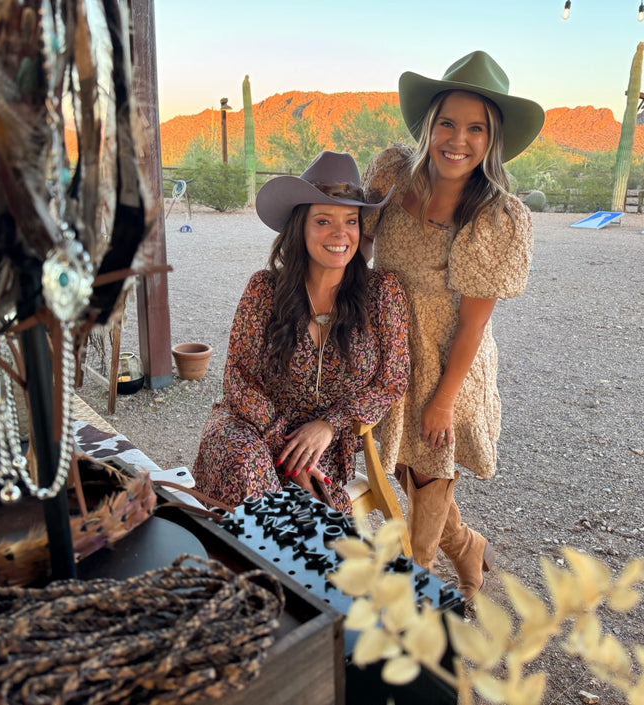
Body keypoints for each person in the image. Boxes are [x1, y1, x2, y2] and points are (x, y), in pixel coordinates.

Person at [361, 51, 545, 600]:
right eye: (447, 123)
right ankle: (465, 545)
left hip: (450, 357)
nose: (457, 139)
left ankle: (414, 590)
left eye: (475, 128)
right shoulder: (393, 171)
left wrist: (444, 398)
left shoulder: (497, 215)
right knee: (401, 467)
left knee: (431, 470)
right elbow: (358, 241)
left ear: (493, 140)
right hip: (390, 345)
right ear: (429, 124)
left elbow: (472, 323)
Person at [193, 151, 409, 514]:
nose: (341, 234)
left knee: (298, 511)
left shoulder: (381, 294)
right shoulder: (265, 290)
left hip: (321, 448)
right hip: (251, 427)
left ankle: (269, 565)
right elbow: (238, 380)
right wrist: (284, 443)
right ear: (301, 227)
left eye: (351, 221)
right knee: (245, 467)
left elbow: (392, 381)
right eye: (324, 221)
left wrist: (330, 424)